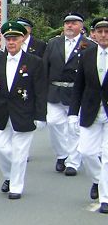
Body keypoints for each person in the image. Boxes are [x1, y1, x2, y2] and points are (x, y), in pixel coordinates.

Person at [0, 21, 47, 199]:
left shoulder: (34, 62)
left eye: (15, 39)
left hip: (25, 113)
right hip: (2, 112)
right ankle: (9, 176)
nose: (11, 42)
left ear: (22, 39)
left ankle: (16, 187)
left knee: (19, 153)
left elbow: (41, 91)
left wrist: (41, 115)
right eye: (8, 39)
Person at [43, 12, 95, 176]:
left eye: (73, 23)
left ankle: (73, 162)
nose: (69, 26)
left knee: (74, 128)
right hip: (55, 92)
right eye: (67, 23)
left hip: (76, 93)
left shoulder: (89, 45)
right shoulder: (53, 43)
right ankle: (62, 154)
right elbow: (45, 67)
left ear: (81, 26)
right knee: (53, 123)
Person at [68, 17, 108, 213]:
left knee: (107, 155)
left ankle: (105, 198)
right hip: (91, 110)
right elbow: (79, 86)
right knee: (86, 152)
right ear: (94, 34)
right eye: (100, 32)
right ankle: (98, 180)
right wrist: (72, 113)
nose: (103, 35)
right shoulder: (87, 55)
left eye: (107, 32)